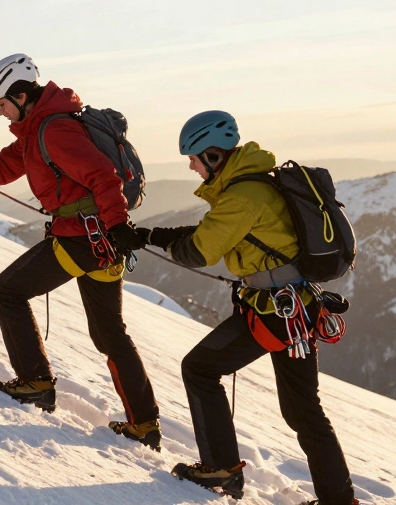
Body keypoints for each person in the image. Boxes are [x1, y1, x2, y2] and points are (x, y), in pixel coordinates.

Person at [0, 54, 162, 449]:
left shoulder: (54, 131)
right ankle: (144, 424)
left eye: (3, 104)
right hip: (101, 243)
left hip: (82, 239)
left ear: (21, 96)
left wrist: (117, 222)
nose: (1, 112)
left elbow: (102, 176)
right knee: (110, 332)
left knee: (7, 291)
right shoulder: (37, 131)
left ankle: (36, 382)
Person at [149, 111, 356, 504]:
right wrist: (153, 233)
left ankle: (221, 470)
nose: (191, 167)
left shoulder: (243, 196)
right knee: (304, 413)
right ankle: (338, 500)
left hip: (273, 313)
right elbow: (214, 233)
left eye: (193, 158)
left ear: (212, 155)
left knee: (200, 368)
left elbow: (198, 250)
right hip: (295, 310)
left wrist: (153, 238)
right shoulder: (256, 184)